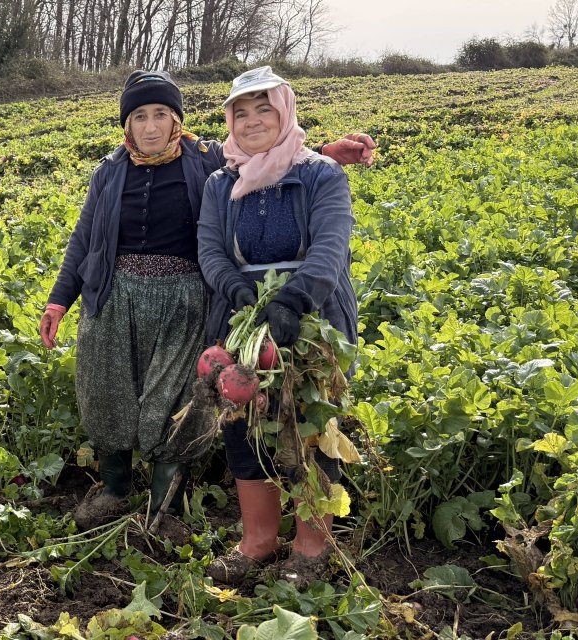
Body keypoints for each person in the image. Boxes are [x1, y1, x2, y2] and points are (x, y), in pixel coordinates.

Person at [39, 70, 372, 534]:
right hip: (116, 298)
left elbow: (268, 150)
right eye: (139, 116)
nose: (150, 127)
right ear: (126, 124)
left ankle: (164, 510)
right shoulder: (109, 171)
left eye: (161, 114)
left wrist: (327, 153)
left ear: (177, 120)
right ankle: (114, 490)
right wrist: (60, 300)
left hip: (183, 299)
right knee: (104, 395)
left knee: (173, 401)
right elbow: (82, 239)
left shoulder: (206, 160)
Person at [196, 66, 359, 587]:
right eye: (240, 113)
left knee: (311, 430)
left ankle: (311, 548)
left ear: (285, 111)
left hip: (313, 317)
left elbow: (331, 248)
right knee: (244, 427)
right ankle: (258, 542)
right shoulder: (221, 182)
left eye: (263, 109)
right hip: (240, 317)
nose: (251, 121)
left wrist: (293, 299)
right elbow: (210, 251)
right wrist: (240, 292)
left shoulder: (320, 175)